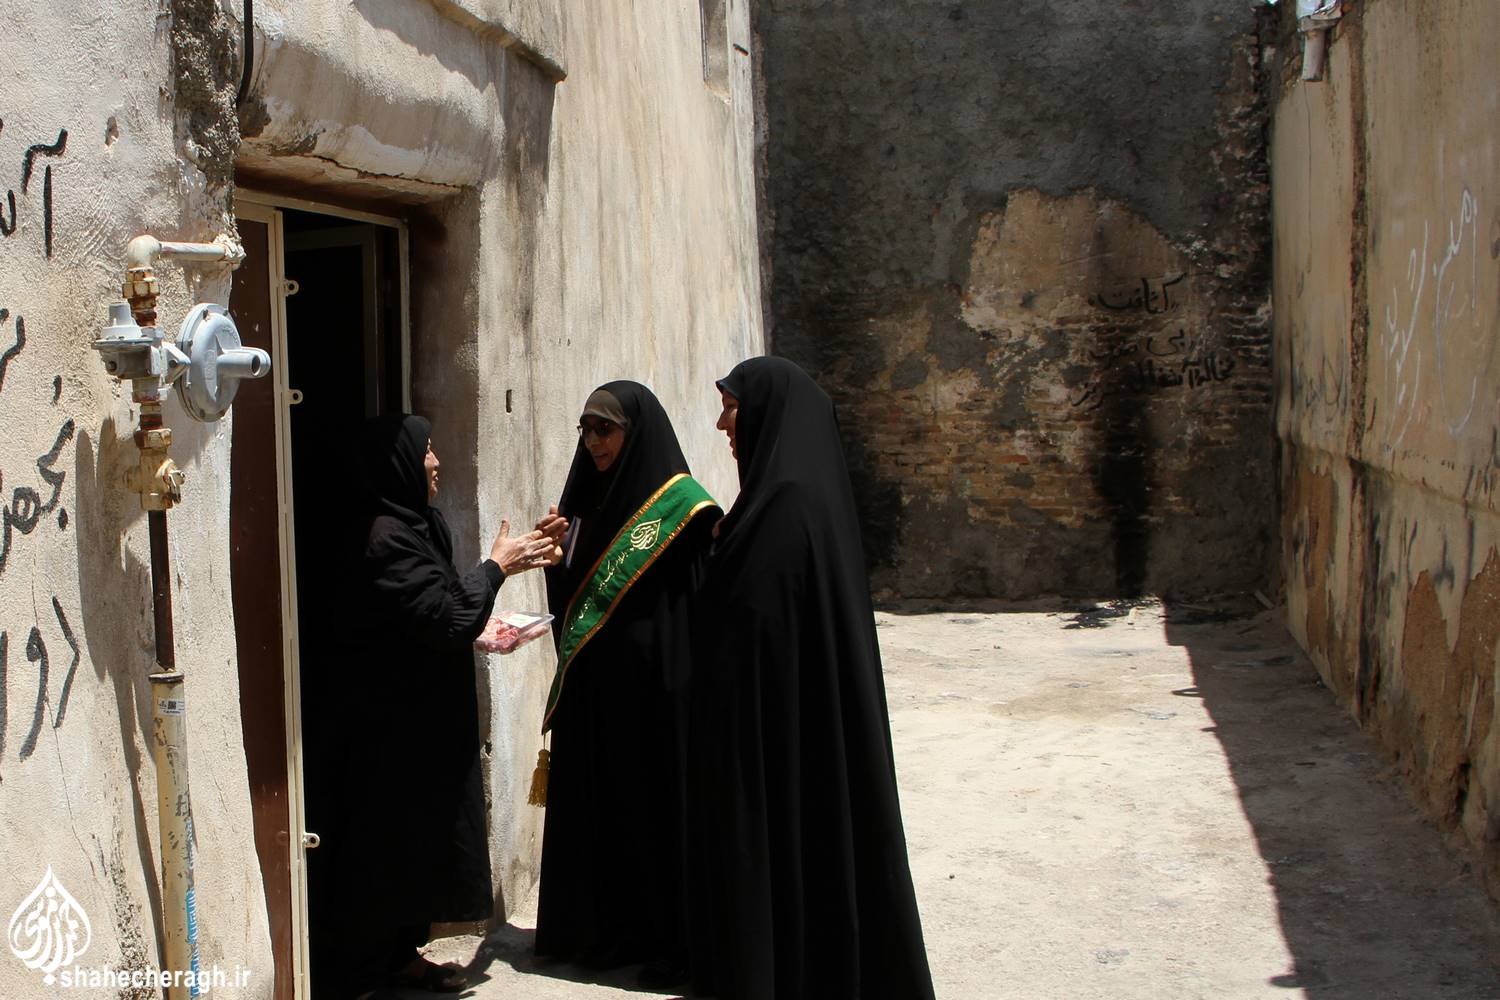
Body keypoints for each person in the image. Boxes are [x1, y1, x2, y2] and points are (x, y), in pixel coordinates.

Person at [686, 357, 936, 1000]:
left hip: (779, 736)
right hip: (802, 724)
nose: (722, 424)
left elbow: (746, 625)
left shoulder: (784, 508)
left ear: (767, 413)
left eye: (731, 407)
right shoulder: (793, 497)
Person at [316, 413, 562, 1000]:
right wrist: (496, 568)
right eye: (425, 450)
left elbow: (442, 608)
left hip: (422, 718)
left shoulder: (419, 525)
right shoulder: (383, 538)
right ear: (398, 463)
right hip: (386, 723)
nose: (435, 461)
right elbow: (448, 616)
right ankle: (360, 972)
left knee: (417, 841)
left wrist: (484, 617)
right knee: (385, 842)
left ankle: (401, 957)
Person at [532, 381, 720, 981]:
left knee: (653, 812)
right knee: (605, 811)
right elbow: (574, 599)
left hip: (656, 691)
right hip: (598, 694)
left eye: (605, 430)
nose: (593, 443)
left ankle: (663, 942)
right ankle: (600, 934)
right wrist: (556, 556)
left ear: (634, 433)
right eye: (586, 430)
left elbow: (695, 607)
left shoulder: (684, 510)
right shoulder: (585, 500)